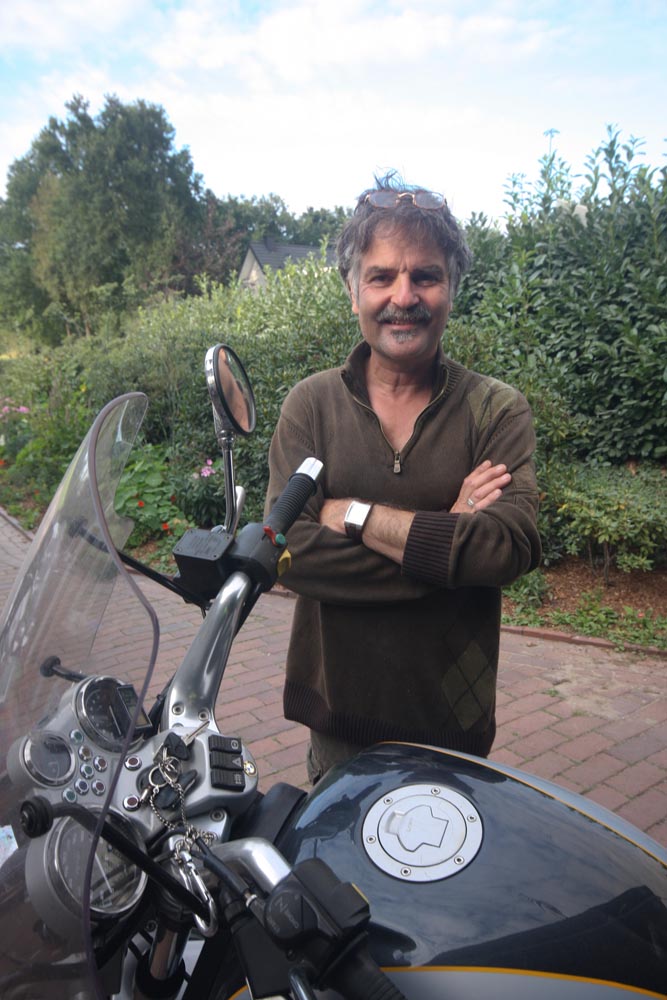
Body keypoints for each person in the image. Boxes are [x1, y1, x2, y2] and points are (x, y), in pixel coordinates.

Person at [265, 174, 542, 783]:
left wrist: (351, 514)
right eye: (382, 276)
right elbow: (286, 551)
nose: (404, 295)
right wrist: (446, 544)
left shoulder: (496, 411)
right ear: (352, 290)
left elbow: (506, 548)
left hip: (451, 729)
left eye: (426, 276)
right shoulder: (310, 406)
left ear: (451, 288)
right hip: (338, 727)